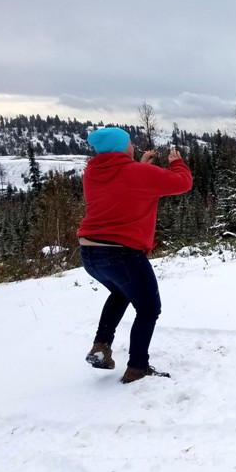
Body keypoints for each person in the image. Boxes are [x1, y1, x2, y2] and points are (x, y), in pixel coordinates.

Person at [78, 127, 192, 383]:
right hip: (121, 254)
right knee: (149, 308)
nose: (133, 145)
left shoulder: (92, 173)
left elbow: (121, 188)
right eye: (129, 141)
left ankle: (101, 346)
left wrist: (140, 167)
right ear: (121, 147)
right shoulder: (137, 173)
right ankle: (138, 367)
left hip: (89, 253)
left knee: (120, 292)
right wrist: (177, 163)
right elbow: (182, 184)